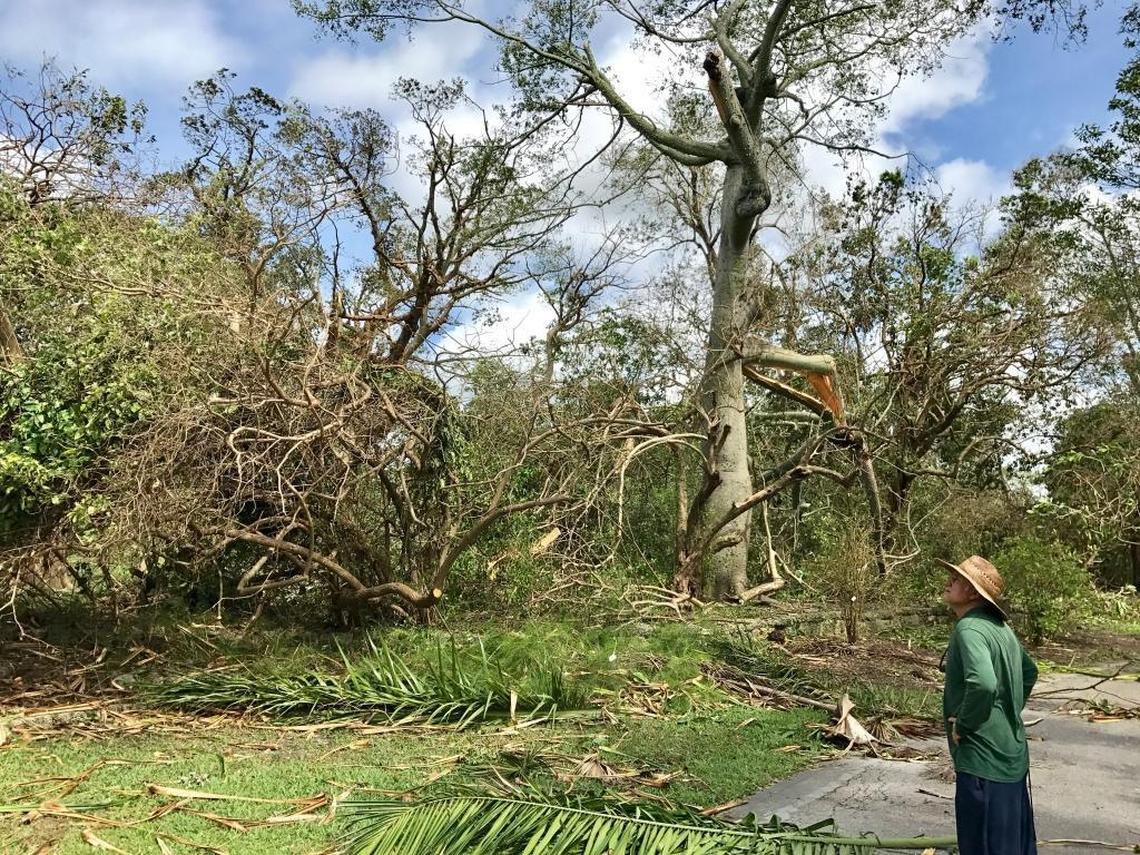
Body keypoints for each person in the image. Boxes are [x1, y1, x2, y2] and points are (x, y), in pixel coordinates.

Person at [940, 555, 1038, 855]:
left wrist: (964, 724)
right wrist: (1007, 709)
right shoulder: (999, 628)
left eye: (956, 580)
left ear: (971, 592)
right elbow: (1030, 671)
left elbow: (983, 683)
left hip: (983, 759)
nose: (948, 582)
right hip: (1011, 753)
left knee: (981, 845)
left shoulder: (969, 629)